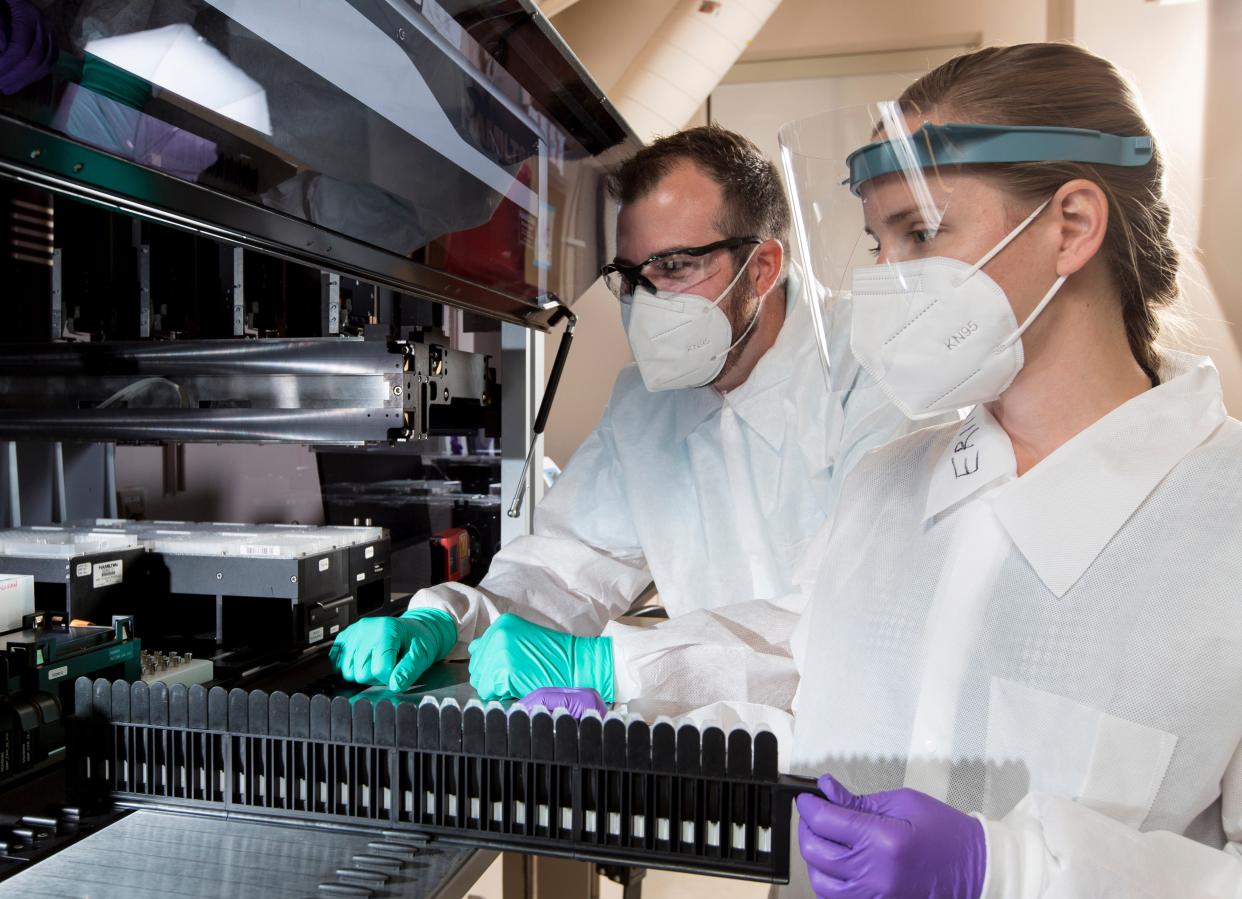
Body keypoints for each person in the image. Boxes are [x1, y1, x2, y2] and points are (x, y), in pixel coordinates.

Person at [464, 43, 1242, 899]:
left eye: (919, 232)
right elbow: (829, 729)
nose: (880, 279)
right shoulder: (888, 491)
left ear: (1071, 224)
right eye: (876, 242)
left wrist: (1011, 878)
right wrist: (638, 735)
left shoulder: (1224, 529)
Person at [330, 125, 919, 697]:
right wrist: (449, 621)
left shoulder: (877, 370)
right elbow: (570, 568)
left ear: (761, 267)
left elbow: (851, 625)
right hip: (726, 751)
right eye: (631, 276)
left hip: (870, 764)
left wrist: (611, 666)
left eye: (675, 267)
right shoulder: (645, 404)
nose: (648, 301)